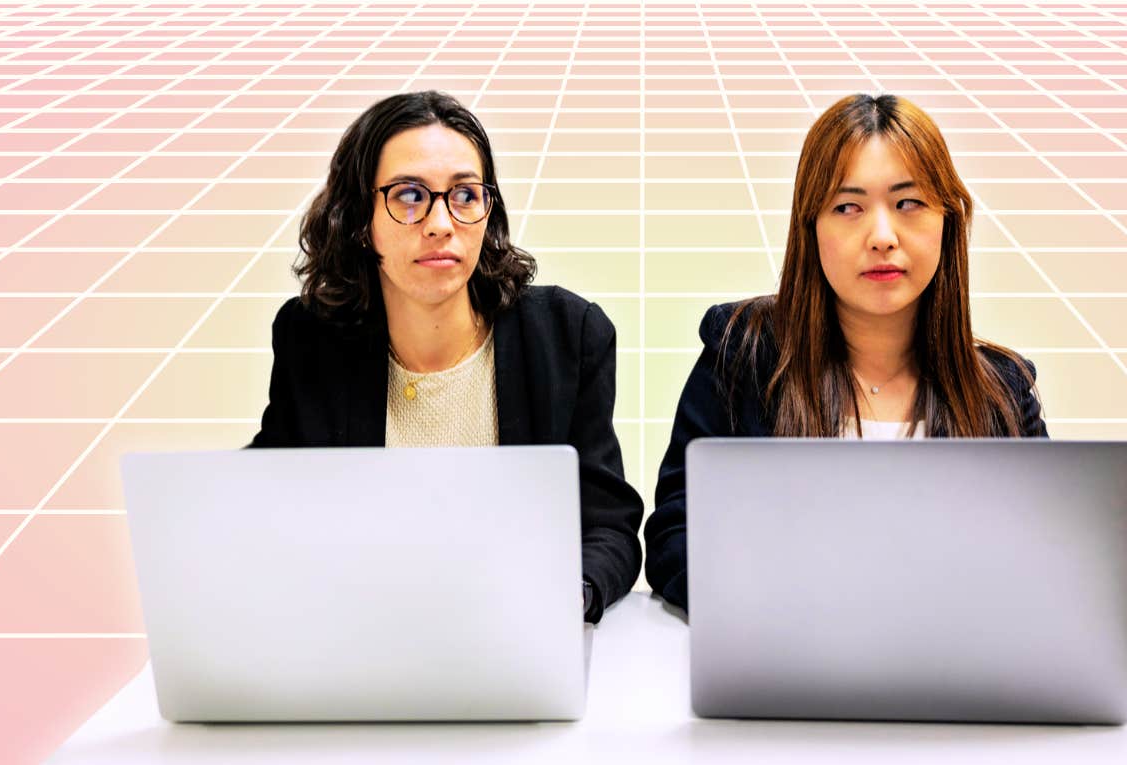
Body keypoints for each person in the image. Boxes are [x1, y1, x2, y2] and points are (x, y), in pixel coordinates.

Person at [644, 94, 1048, 612]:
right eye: (848, 207)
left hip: (948, 673)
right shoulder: (743, 350)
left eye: (909, 203)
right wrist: (772, 607)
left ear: (948, 220)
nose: (881, 236)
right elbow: (676, 536)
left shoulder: (1002, 392)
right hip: (785, 661)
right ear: (811, 226)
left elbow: (1042, 564)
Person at [249, 91, 642, 623]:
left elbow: (608, 526)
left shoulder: (567, 336)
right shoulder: (310, 339)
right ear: (360, 220)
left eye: (464, 195)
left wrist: (569, 595)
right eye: (409, 196)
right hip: (360, 634)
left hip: (512, 639)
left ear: (487, 210)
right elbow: (267, 502)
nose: (440, 223)